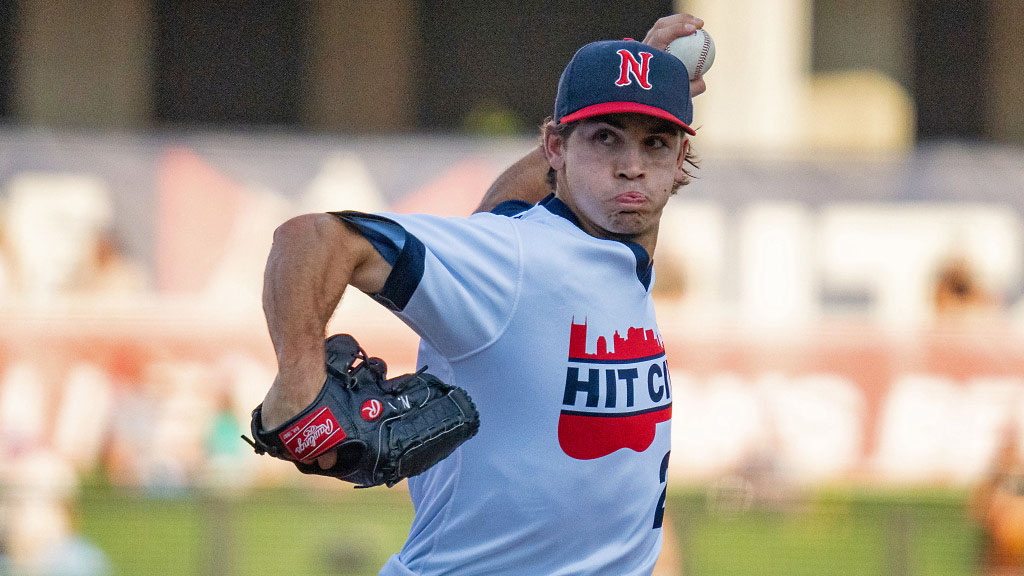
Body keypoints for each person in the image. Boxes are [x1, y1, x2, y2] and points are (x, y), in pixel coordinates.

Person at [258, 14, 707, 575]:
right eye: (604, 138)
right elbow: (310, 238)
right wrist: (299, 385)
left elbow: (504, 202)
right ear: (555, 148)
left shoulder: (614, 255)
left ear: (680, 162)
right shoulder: (514, 259)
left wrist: (639, 73)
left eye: (656, 143)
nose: (632, 167)